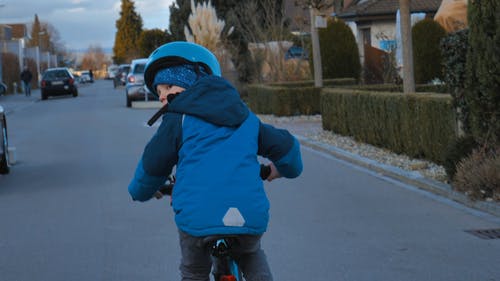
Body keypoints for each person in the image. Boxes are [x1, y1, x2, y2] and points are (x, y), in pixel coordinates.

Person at [128, 41, 303, 281]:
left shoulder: (177, 119)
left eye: (168, 86)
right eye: (158, 91)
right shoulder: (245, 117)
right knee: (251, 253)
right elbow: (288, 150)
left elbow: (153, 164)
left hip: (197, 221)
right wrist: (279, 169)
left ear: (192, 82)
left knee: (193, 271)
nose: (163, 96)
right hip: (248, 216)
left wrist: (141, 190)